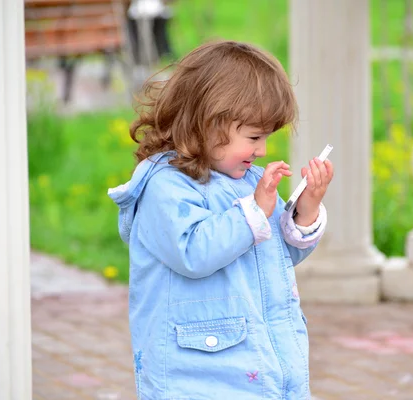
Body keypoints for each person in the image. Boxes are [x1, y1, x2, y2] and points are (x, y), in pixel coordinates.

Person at [108, 40, 334, 400]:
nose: (262, 150)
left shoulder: (247, 180)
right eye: (254, 137)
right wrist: (254, 211)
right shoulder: (165, 186)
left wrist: (306, 208)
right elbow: (193, 252)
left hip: (264, 366)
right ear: (210, 123)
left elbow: (278, 253)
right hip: (198, 376)